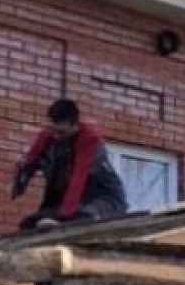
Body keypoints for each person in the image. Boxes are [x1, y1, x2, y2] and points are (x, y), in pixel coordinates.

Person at [9, 99, 128, 230]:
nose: (56, 136)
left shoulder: (89, 140)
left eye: (61, 132)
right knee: (29, 224)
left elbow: (78, 178)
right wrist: (19, 182)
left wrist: (64, 216)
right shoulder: (47, 136)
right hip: (69, 202)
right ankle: (65, 216)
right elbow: (29, 160)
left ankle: (72, 218)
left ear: (74, 125)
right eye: (53, 130)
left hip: (102, 199)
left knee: (82, 218)